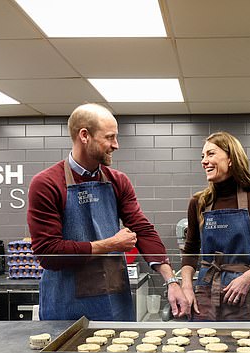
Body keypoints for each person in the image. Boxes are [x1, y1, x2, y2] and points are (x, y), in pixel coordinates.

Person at [27, 103, 190, 321]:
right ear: (84, 136)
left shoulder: (117, 181)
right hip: (66, 304)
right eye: (110, 137)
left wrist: (170, 280)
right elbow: (48, 253)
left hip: (114, 300)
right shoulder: (47, 183)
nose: (116, 145)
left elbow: (142, 229)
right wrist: (109, 245)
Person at [180, 132, 250, 321]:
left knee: (242, 348)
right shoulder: (198, 202)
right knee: (201, 346)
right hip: (204, 287)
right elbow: (190, 252)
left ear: (231, 159)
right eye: (202, 156)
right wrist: (186, 286)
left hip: (238, 291)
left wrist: (249, 277)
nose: (204, 161)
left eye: (210, 154)